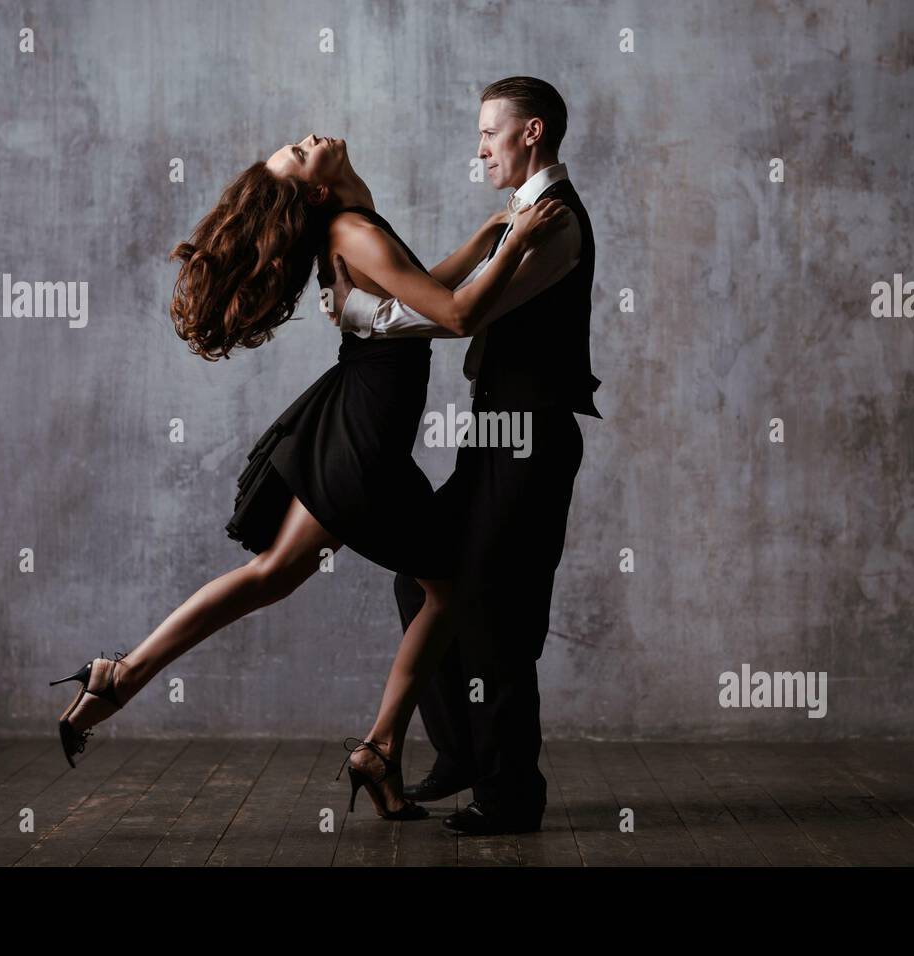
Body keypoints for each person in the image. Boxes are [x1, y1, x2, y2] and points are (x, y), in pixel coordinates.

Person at [48, 132, 570, 823]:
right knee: (444, 586)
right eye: (296, 155)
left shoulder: (355, 220)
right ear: (317, 190)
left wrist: (481, 241)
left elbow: (416, 296)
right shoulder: (352, 230)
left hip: (353, 427)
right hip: (362, 442)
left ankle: (123, 675)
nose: (303, 141)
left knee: (276, 576)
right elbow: (457, 315)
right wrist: (515, 244)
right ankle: (378, 747)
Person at [328, 77, 600, 835]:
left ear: (532, 133)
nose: (479, 147)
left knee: (497, 610)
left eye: (491, 132)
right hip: (495, 431)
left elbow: (455, 316)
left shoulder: (554, 225)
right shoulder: (521, 215)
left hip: (533, 433)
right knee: (425, 585)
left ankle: (511, 793)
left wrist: (357, 312)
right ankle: (463, 756)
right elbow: (455, 297)